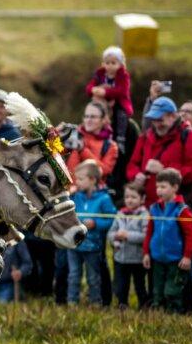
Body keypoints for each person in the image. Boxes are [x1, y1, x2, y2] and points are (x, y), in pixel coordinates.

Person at [126, 97, 192, 207]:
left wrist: (165, 170)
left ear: (173, 116)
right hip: (147, 206)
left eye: (160, 120)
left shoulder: (191, 135)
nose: (156, 124)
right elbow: (132, 164)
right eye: (153, 120)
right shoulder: (145, 136)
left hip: (175, 208)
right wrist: (136, 175)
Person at [143, 168, 192, 314]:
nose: (159, 190)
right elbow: (149, 232)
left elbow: (191, 235)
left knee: (172, 291)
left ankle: (175, 314)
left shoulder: (182, 210)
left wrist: (187, 256)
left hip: (176, 260)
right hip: (157, 258)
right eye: (157, 187)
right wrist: (146, 252)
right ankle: (159, 313)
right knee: (157, 289)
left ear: (175, 187)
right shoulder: (154, 208)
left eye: (163, 187)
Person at [68, 160, 116, 304]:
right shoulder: (75, 196)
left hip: (93, 246)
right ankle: (72, 303)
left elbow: (111, 219)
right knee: (73, 276)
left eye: (81, 179)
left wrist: (96, 224)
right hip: (74, 245)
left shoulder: (104, 198)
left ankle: (96, 303)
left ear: (93, 180)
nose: (77, 183)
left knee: (93, 278)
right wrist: (69, 195)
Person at [108, 182, 150, 309]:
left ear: (142, 199)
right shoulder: (120, 214)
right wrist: (115, 240)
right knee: (121, 285)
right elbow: (111, 232)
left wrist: (127, 235)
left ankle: (144, 306)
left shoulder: (144, 215)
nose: (129, 200)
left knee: (139, 285)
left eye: (133, 197)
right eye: (127, 197)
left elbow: (145, 236)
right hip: (121, 258)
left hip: (137, 259)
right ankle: (122, 304)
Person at [85, 46, 132, 143]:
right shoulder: (100, 74)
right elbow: (89, 87)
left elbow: (122, 91)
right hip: (102, 102)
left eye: (113, 63)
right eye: (107, 63)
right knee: (92, 112)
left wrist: (106, 92)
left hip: (119, 102)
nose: (110, 65)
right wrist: (93, 89)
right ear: (103, 64)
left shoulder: (123, 76)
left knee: (121, 115)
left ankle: (120, 137)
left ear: (120, 64)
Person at [64, 101, 119, 185]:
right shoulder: (73, 135)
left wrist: (82, 150)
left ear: (103, 120)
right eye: (86, 116)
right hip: (67, 192)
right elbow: (52, 153)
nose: (88, 120)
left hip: (91, 196)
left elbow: (104, 170)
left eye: (93, 117)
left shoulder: (111, 146)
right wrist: (55, 133)